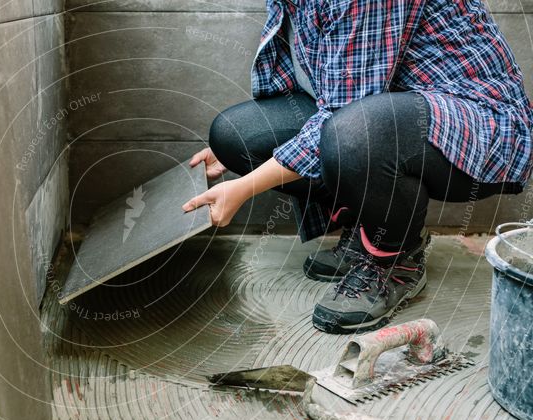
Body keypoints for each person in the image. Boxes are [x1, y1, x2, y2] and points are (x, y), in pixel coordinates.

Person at [183, 0, 533, 334]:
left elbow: (342, 112)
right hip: (382, 110)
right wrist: (247, 149)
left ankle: (394, 262)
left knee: (352, 134)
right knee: (234, 135)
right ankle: (369, 226)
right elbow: (315, 86)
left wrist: (245, 187)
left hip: (477, 125)